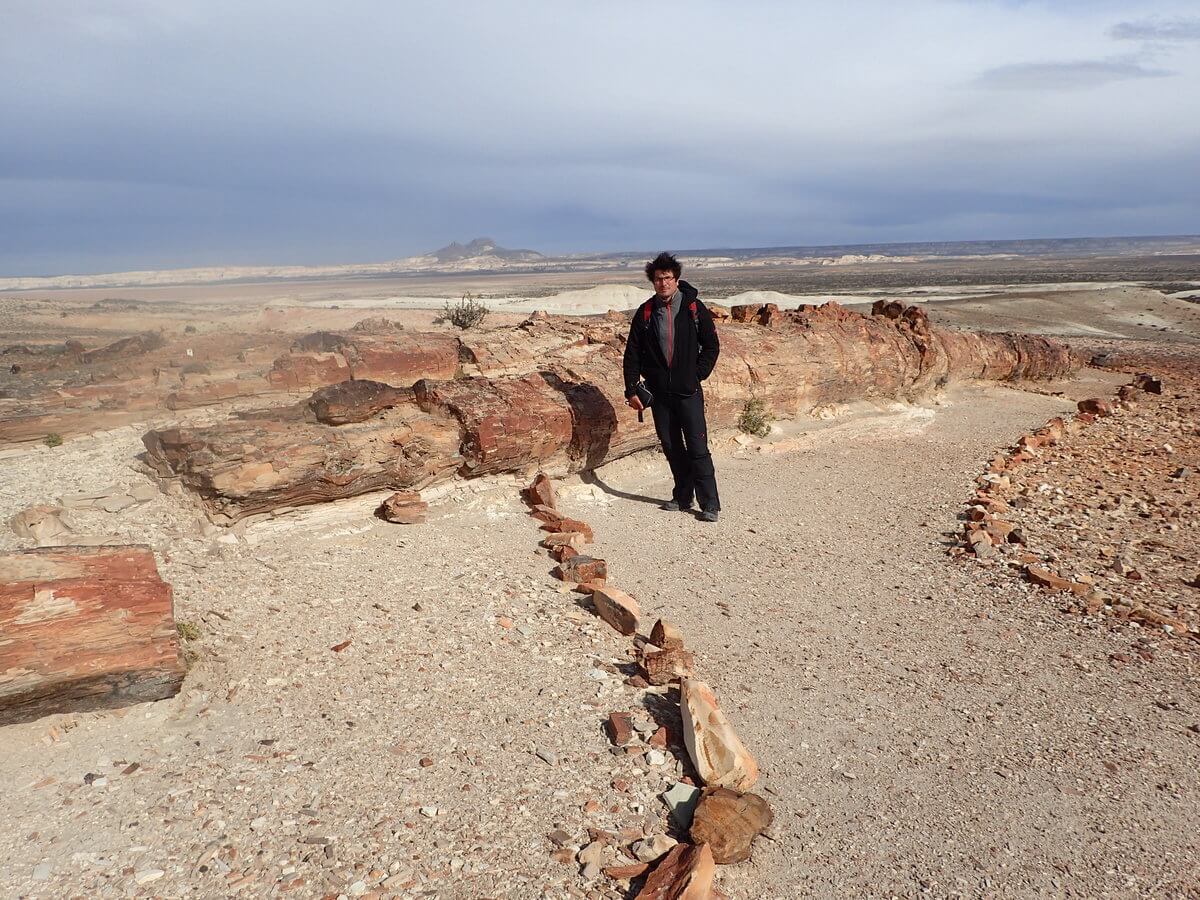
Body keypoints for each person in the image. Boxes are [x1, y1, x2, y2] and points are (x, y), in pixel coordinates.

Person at [623, 251, 721, 522]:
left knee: (697, 448)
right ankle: (682, 496)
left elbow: (712, 346)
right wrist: (631, 389)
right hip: (660, 395)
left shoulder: (693, 308)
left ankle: (710, 504)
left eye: (667, 278)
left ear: (677, 280)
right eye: (658, 279)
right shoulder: (645, 312)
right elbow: (631, 353)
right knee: (671, 447)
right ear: (652, 282)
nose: (663, 283)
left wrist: (696, 375)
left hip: (688, 392)